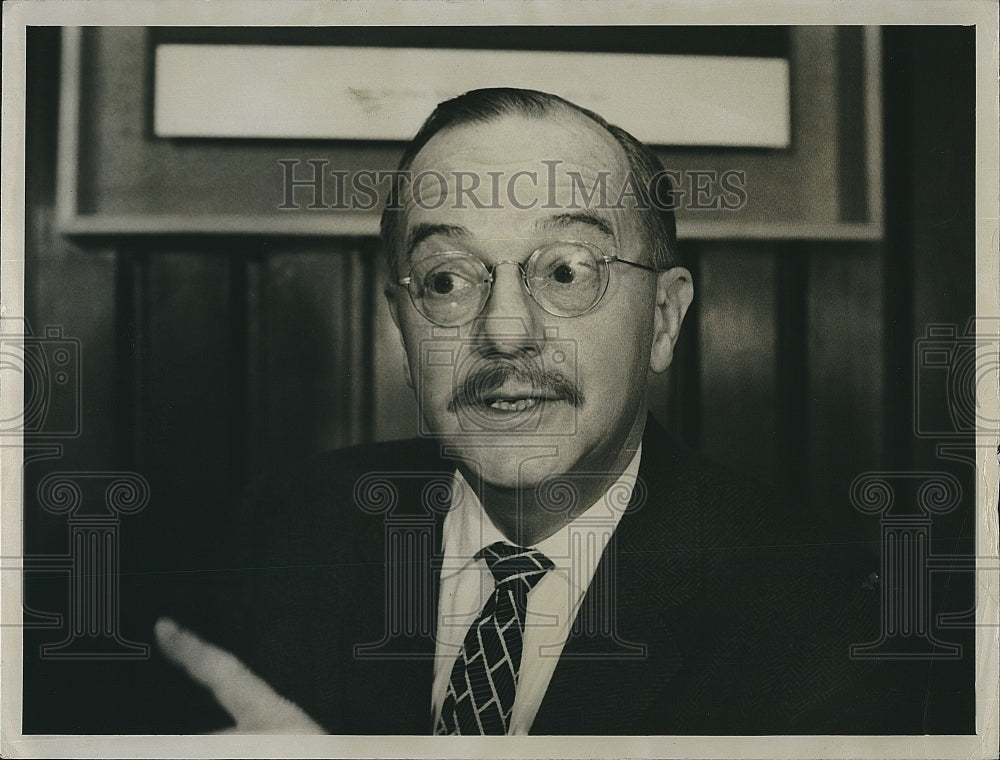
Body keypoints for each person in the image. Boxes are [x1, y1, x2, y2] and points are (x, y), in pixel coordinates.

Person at [155, 88, 933, 735]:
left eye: (566, 270)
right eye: (446, 280)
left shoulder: (832, 619)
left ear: (664, 319)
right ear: (401, 325)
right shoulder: (287, 531)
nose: (504, 331)